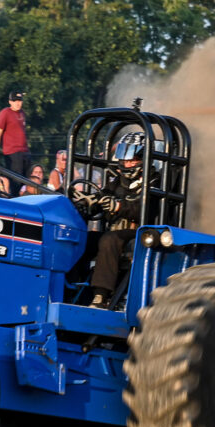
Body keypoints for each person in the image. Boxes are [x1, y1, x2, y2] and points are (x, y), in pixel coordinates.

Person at [73, 131, 147, 307]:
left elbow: (148, 209)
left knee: (109, 240)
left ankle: (101, 295)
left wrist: (120, 207)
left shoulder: (153, 181)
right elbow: (104, 195)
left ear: (142, 159)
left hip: (140, 233)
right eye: (124, 160)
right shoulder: (118, 181)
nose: (126, 164)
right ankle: (72, 285)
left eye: (131, 160)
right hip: (116, 231)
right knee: (81, 239)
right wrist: (91, 201)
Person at [0, 90, 31, 191]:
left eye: (19, 100)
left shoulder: (22, 113)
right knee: (16, 180)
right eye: (15, 101)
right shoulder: (5, 113)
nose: (18, 103)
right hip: (12, 152)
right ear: (10, 102)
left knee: (26, 180)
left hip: (24, 151)